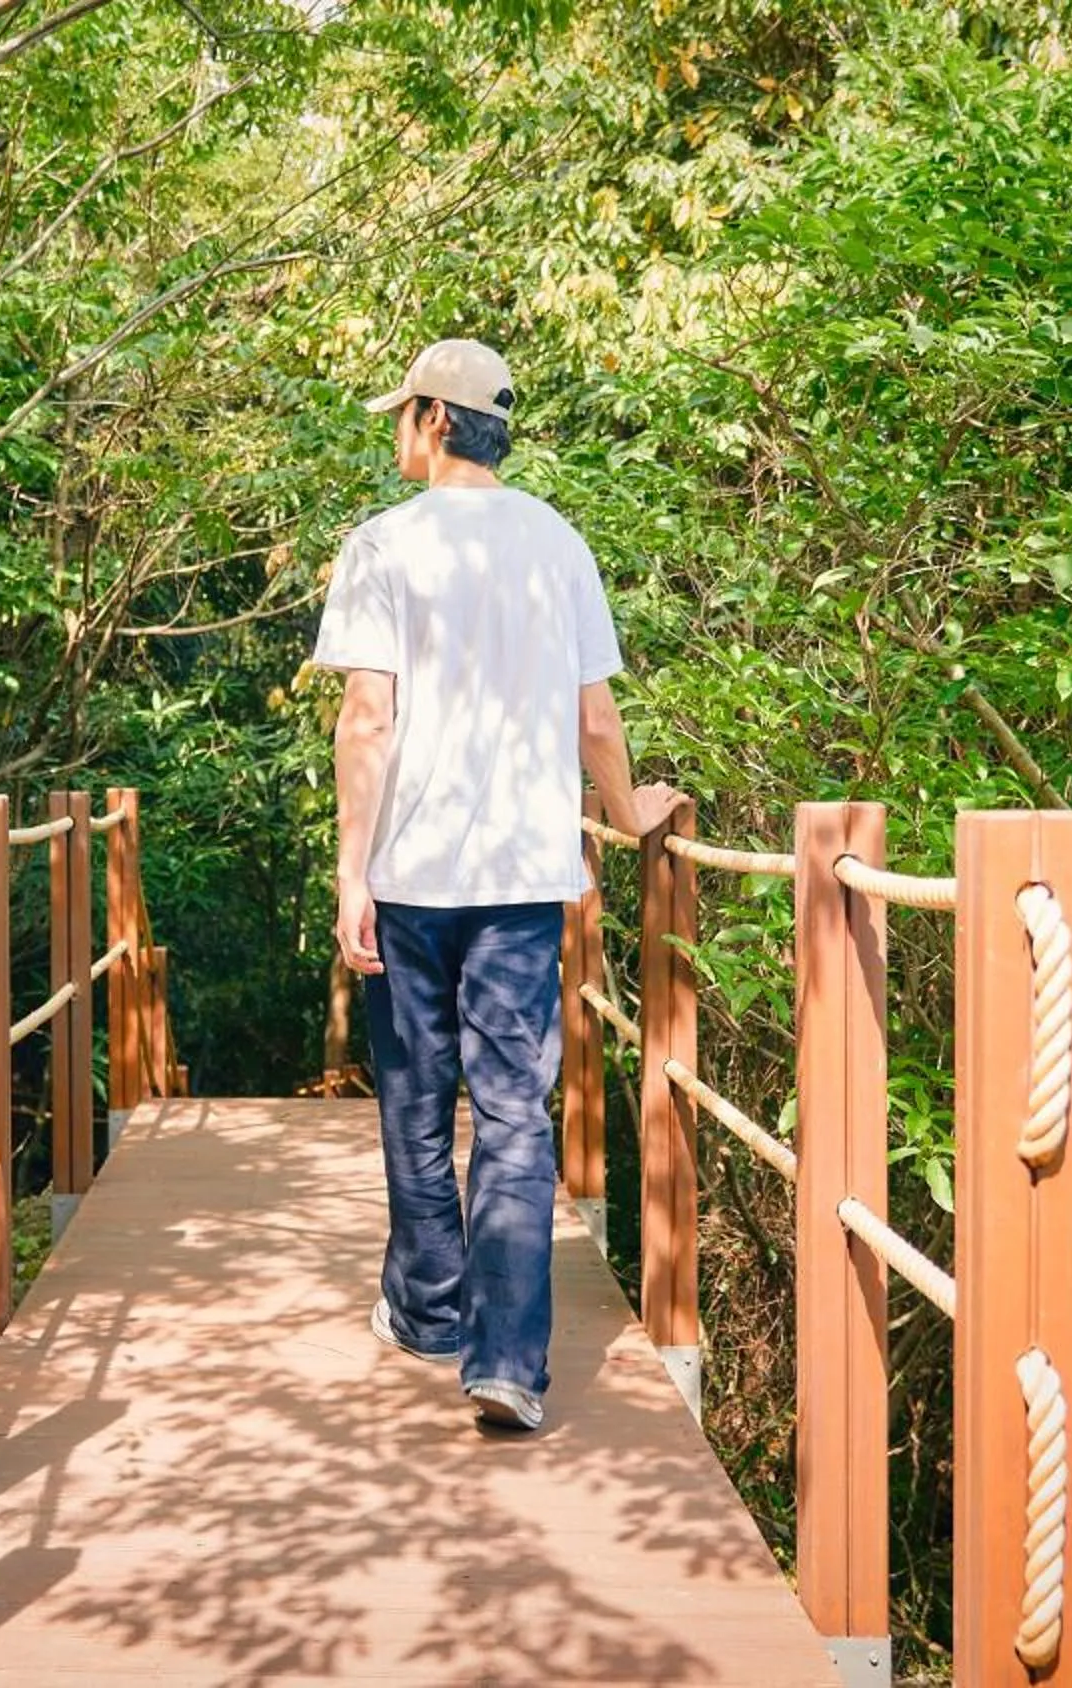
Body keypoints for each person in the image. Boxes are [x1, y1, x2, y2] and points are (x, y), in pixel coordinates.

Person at [311, 337, 669, 1433]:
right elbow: (594, 716)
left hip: (413, 876)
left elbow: (367, 718)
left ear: (432, 419)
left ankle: (424, 1310)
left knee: (418, 1102)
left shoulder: (382, 545)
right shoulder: (558, 543)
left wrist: (350, 869)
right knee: (515, 1111)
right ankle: (506, 1359)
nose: (393, 433)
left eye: (399, 415)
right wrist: (624, 813)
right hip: (522, 879)